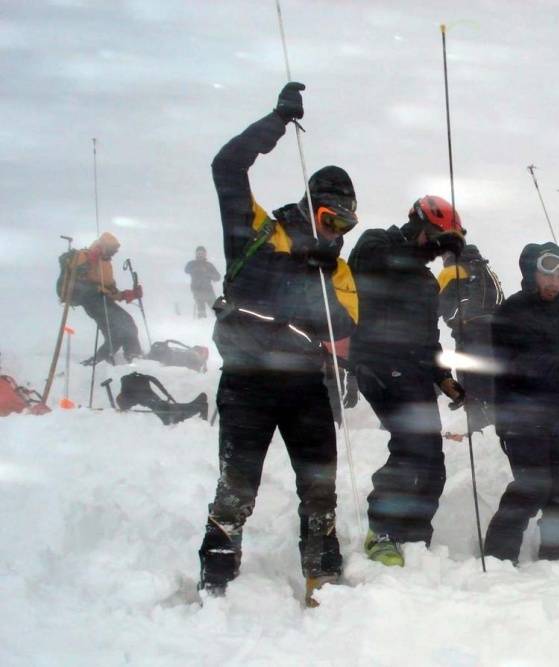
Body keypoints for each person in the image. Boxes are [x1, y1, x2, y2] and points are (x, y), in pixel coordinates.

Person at [197, 82, 359, 607]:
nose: (338, 233)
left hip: (305, 386)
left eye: (347, 225)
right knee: (236, 488)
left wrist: (319, 277)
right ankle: (217, 578)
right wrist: (276, 122)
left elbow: (342, 328)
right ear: (311, 207)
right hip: (246, 380)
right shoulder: (257, 231)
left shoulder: (336, 269)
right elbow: (226, 167)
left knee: (319, 489)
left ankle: (322, 576)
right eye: (332, 220)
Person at [348, 195, 467, 567]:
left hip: (414, 370)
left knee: (431, 456)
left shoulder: (426, 283)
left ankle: (416, 534)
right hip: (377, 363)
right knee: (411, 445)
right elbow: (374, 265)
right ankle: (381, 530)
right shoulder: (377, 243)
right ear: (417, 225)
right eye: (432, 236)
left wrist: (443, 376)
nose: (434, 250)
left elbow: (429, 337)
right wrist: (428, 246)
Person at [483, 243, 559, 564]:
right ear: (531, 272)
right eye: (546, 274)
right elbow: (512, 362)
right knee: (533, 485)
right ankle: (499, 557)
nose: (554, 282)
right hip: (520, 413)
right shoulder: (514, 310)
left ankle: (558, 556)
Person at [437, 243, 504, 432]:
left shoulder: (452, 272)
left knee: (473, 396)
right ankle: (495, 435)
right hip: (496, 340)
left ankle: (479, 432)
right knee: (495, 392)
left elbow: (432, 307)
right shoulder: (485, 270)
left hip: (469, 338)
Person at [70, 232, 144, 365]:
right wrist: (90, 261)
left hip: (103, 299)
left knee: (118, 332)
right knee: (124, 325)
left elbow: (111, 290)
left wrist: (129, 294)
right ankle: (134, 356)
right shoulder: (84, 255)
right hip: (91, 299)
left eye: (114, 251)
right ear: (103, 246)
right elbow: (76, 275)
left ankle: (100, 360)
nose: (112, 254)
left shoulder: (106, 263)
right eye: (111, 250)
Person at [185, 246, 221, 318]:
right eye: (199, 253)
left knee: (215, 309)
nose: (200, 255)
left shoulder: (209, 265)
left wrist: (208, 274)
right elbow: (186, 270)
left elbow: (218, 277)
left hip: (208, 290)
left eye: (202, 253)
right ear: (196, 254)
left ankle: (220, 321)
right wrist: (197, 270)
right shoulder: (192, 263)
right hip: (197, 289)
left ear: (205, 254)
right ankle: (201, 323)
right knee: (201, 309)